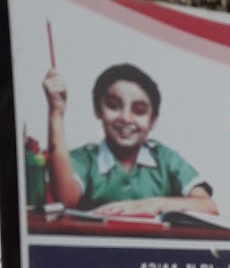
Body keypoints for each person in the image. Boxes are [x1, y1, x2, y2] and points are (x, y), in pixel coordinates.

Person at [42, 63, 218, 215]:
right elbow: (67, 200)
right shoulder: (85, 159)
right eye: (113, 106)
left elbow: (208, 206)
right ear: (98, 109)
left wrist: (150, 205)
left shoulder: (164, 159)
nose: (126, 118)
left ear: (153, 120)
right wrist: (56, 113)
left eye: (139, 111)